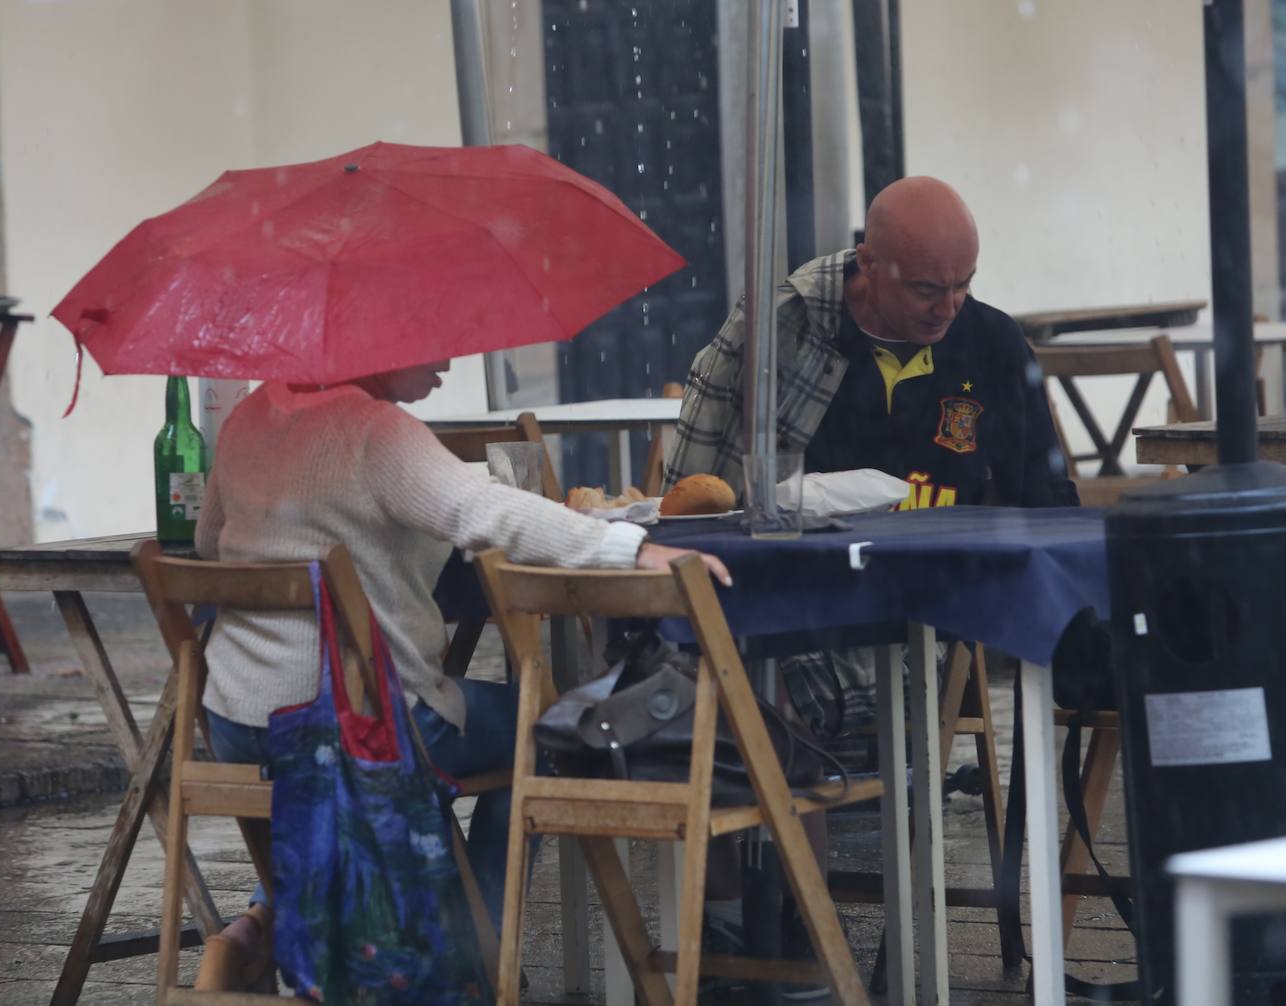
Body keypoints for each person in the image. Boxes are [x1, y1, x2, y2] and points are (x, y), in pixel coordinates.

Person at [190, 362, 731, 991]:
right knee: (548, 731)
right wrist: (630, 547)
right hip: (354, 722)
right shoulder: (378, 431)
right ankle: (480, 959)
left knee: (354, 774)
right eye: (431, 344)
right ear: (384, 339)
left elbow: (208, 541)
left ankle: (262, 920)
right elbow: (486, 510)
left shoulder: (251, 414)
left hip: (238, 720)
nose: (446, 363)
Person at [666, 174, 1077, 737]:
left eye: (964, 284)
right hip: (806, 590)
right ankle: (796, 807)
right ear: (868, 263)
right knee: (755, 665)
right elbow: (695, 489)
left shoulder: (991, 343)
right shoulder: (780, 331)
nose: (949, 308)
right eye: (926, 289)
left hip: (936, 599)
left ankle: (813, 797)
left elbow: (1045, 497)